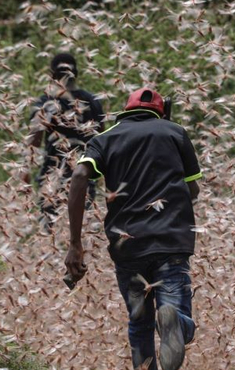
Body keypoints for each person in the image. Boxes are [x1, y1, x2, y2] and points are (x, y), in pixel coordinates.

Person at [65, 87, 202, 370]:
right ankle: (176, 323)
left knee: (139, 325)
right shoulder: (175, 132)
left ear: (126, 111)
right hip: (170, 242)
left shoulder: (104, 139)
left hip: (128, 248)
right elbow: (193, 189)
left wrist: (75, 244)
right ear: (160, 112)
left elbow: (79, 175)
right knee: (176, 315)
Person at [26, 53, 104, 228]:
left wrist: (25, 172)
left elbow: (34, 142)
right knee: (82, 228)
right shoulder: (92, 101)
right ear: (76, 73)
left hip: (52, 177)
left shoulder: (45, 102)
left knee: (51, 231)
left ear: (52, 75)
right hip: (85, 174)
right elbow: (102, 140)